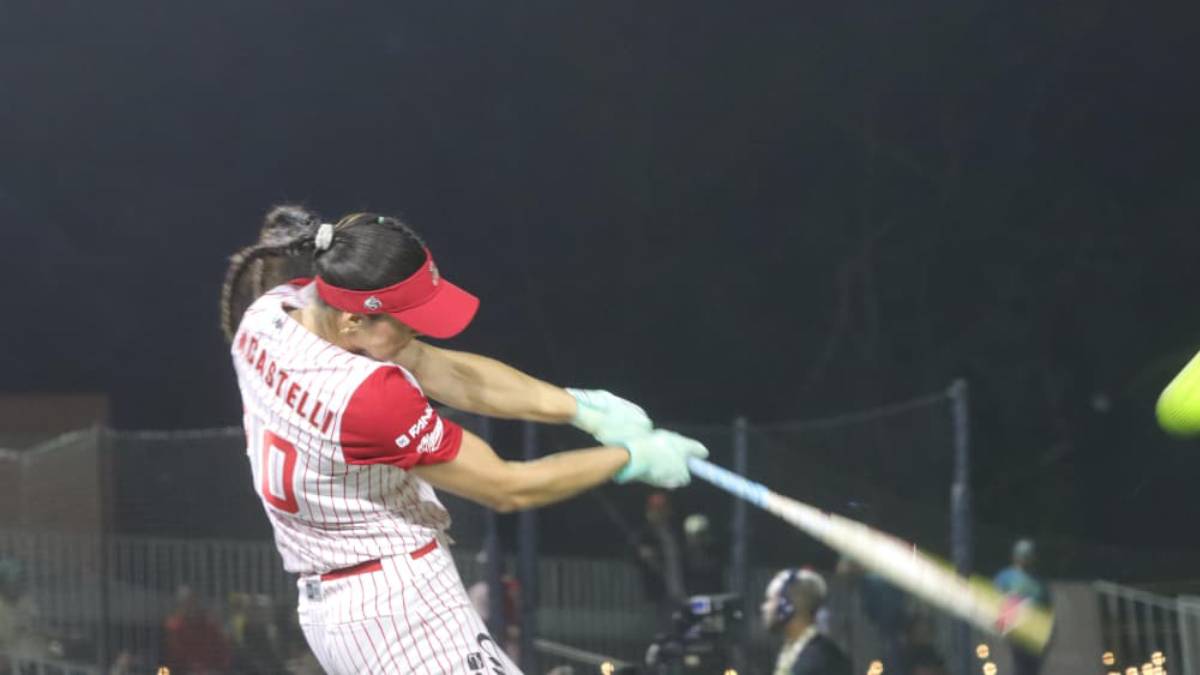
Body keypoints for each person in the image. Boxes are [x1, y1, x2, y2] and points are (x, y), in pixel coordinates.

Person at [219, 207, 709, 674]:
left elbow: (438, 368)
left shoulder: (268, 315)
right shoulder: (366, 397)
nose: (417, 331)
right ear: (353, 321)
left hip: (338, 608)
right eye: (406, 320)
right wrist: (628, 458)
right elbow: (506, 486)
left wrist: (580, 408)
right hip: (399, 613)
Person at [760, 568, 851, 675]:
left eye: (770, 599)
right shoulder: (795, 651)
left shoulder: (821, 661)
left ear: (787, 607)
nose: (764, 607)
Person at [993, 539, 1050, 675]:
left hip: (1033, 634)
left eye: (1028, 556)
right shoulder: (1005, 578)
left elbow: (1046, 610)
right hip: (1012, 633)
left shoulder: (1039, 584)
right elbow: (995, 602)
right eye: (1022, 555)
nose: (1025, 559)